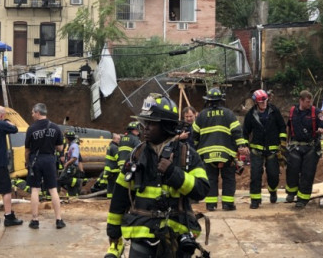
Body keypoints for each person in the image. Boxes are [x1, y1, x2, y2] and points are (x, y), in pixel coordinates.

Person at [105, 94, 210, 258]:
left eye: (151, 123)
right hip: (141, 235)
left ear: (167, 126)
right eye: (144, 122)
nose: (145, 128)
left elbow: (201, 190)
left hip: (176, 237)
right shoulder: (136, 155)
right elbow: (120, 195)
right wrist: (113, 231)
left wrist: (174, 173)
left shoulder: (186, 154)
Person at [193, 88, 249, 211]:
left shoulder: (201, 115)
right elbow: (237, 133)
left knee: (211, 179)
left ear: (208, 101)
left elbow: (194, 136)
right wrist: (242, 146)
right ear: (220, 100)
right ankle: (227, 204)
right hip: (226, 154)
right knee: (228, 178)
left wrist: (195, 150)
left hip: (207, 155)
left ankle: (211, 205)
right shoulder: (228, 114)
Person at [243, 89, 287, 209]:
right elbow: (245, 132)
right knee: (256, 175)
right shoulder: (251, 114)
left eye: (265, 101)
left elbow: (282, 127)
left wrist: (282, 142)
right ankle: (255, 200)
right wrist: (245, 145)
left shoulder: (274, 111)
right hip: (256, 150)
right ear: (256, 102)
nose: (264, 103)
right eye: (261, 102)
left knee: (273, 174)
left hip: (273, 150)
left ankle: (272, 191)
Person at [24, 103, 65, 230]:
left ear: (37, 113)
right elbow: (60, 148)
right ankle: (58, 220)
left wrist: (27, 162)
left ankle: (35, 220)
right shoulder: (55, 127)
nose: (32, 115)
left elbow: (27, 149)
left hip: (35, 160)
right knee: (53, 189)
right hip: (49, 159)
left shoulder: (31, 128)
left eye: (32, 112)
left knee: (35, 189)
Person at [285, 90, 323, 208]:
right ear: (301, 101)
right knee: (292, 170)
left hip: (311, 147)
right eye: (308, 102)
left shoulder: (316, 112)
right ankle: (291, 193)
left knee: (307, 173)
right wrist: (285, 144)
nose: (310, 104)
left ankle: (302, 199)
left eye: (311, 101)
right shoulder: (293, 111)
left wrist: (322, 130)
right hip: (295, 146)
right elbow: (289, 127)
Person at [59, 130, 82, 196]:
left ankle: (78, 182)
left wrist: (67, 163)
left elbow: (75, 157)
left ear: (68, 138)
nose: (65, 139)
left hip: (72, 166)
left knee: (61, 180)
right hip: (70, 166)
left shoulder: (74, 146)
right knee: (71, 186)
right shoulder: (70, 146)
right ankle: (72, 195)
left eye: (66, 138)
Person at [103, 133, 121, 199]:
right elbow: (118, 158)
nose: (119, 140)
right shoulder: (115, 147)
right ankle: (113, 198)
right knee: (115, 185)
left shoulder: (110, 146)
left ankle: (109, 197)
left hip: (109, 170)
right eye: (118, 139)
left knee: (110, 185)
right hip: (114, 170)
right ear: (114, 139)